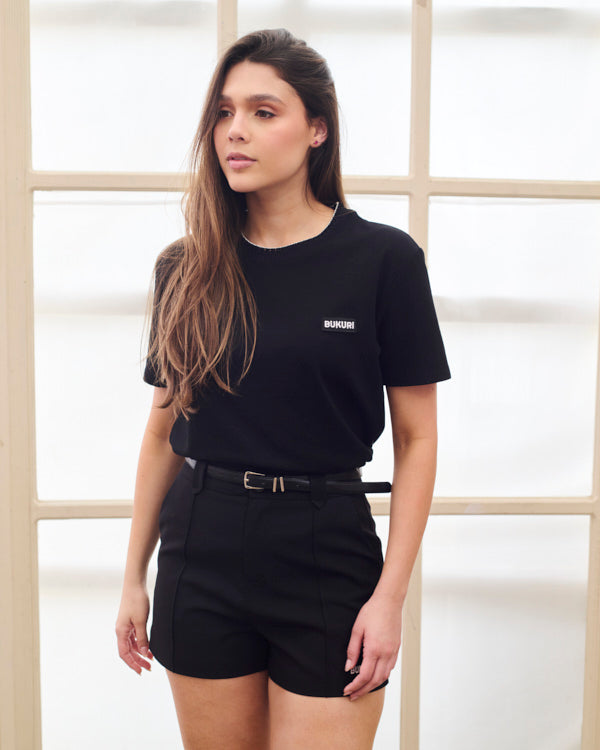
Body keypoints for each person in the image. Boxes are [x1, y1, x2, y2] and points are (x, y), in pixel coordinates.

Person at [115, 27, 450, 750]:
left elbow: (418, 438)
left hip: (326, 547)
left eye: (263, 112)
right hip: (202, 544)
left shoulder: (383, 260)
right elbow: (161, 432)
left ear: (316, 128)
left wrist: (390, 598)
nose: (235, 131)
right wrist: (133, 576)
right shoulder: (185, 268)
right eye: (224, 112)